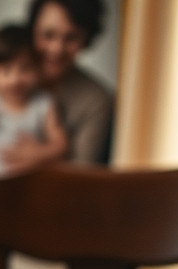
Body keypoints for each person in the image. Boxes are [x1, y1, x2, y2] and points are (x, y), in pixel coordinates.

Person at [23, 0, 114, 167]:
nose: (57, 49)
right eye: (48, 35)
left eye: (71, 37)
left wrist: (42, 155)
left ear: (86, 39)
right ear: (32, 31)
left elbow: (82, 173)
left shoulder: (97, 101)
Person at [0, 23, 66, 178]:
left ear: (39, 69)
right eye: (6, 70)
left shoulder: (43, 104)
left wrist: (38, 154)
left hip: (30, 183)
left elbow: (61, 145)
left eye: (25, 69)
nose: (15, 79)